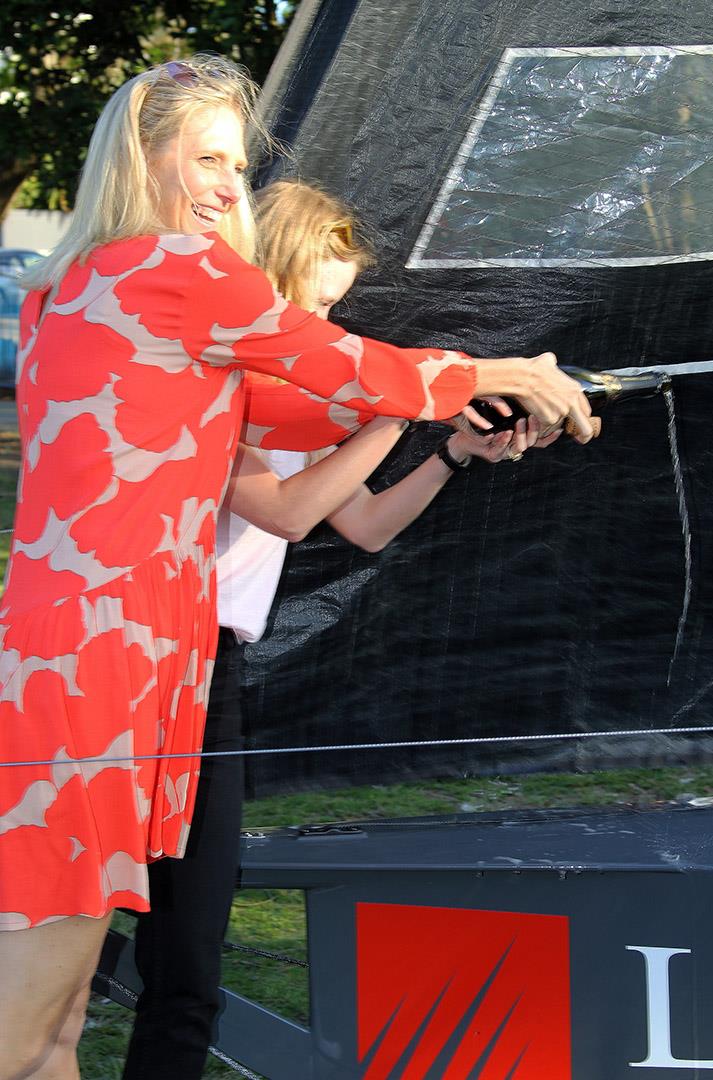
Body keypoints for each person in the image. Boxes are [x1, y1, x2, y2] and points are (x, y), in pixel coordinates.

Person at [0, 54, 596, 1080]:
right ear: (141, 156)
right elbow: (338, 370)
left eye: (238, 161)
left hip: (127, 666)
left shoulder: (87, 290)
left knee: (56, 1030)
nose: (233, 185)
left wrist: (457, 417)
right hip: (95, 671)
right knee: (21, 1030)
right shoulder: (168, 270)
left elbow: (305, 407)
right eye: (210, 158)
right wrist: (495, 371)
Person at [121, 178, 555, 1078]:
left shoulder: (304, 401)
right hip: (133, 663)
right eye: (315, 303)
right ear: (264, 282)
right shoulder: (204, 377)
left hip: (214, 678)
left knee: (190, 959)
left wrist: (447, 452)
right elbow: (284, 513)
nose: (330, 327)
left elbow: (359, 525)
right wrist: (401, 404)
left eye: (337, 307)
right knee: (72, 936)